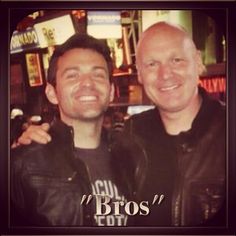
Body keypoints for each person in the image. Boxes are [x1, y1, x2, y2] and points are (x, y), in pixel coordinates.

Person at [14, 22, 226, 227]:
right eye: (152, 64)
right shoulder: (132, 136)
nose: (165, 74)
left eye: (177, 60)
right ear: (140, 74)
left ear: (198, 61)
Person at [10, 33, 144, 226]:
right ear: (52, 93)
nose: (88, 83)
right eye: (73, 75)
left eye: (98, 74)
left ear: (111, 92)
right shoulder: (21, 166)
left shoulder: (134, 157)